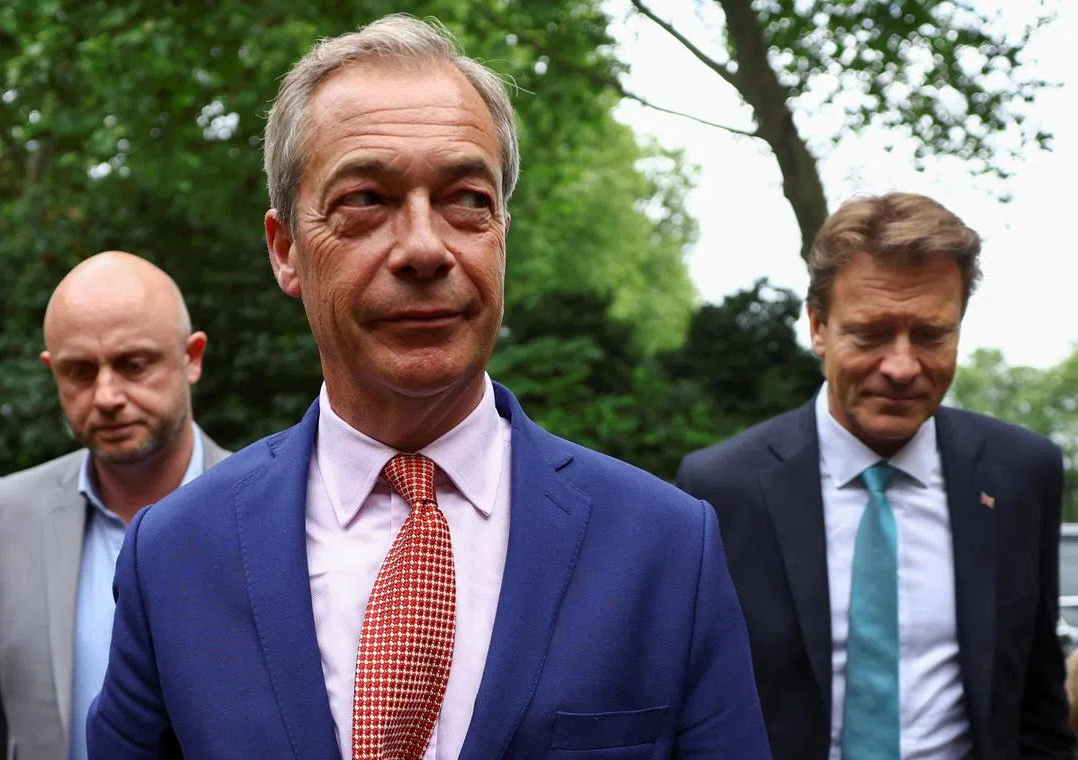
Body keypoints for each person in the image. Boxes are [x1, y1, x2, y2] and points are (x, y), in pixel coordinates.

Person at [87, 14, 769, 759]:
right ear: (285, 251)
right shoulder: (175, 556)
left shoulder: (666, 550)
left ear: (502, 232)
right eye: (367, 200)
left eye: (466, 198)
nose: (422, 247)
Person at [676, 192, 1075, 759]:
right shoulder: (719, 490)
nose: (902, 366)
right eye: (870, 333)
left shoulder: (1020, 475)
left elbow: (1038, 707)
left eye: (932, 335)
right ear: (818, 327)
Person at [0, 251, 230, 760]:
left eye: (133, 364)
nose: (106, 396)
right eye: (80, 371)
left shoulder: (264, 510)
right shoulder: (5, 515)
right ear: (51, 371)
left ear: (192, 357)